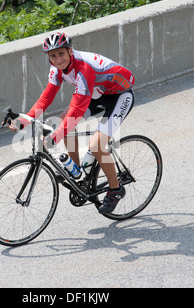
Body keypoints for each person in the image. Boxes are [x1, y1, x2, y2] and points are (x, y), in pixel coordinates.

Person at [7, 32, 135, 214]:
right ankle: (77, 172)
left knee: (96, 145)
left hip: (120, 96)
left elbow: (77, 108)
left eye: (61, 54)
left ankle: (116, 189)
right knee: (63, 121)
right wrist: (24, 121)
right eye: (53, 56)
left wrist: (56, 136)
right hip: (97, 93)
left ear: (69, 51)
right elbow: (46, 98)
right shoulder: (56, 69)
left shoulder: (83, 68)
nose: (58, 59)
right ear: (49, 58)